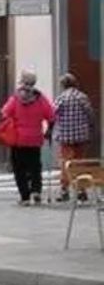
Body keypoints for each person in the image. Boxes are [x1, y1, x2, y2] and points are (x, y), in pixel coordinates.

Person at [0, 70, 56, 206]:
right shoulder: (40, 98)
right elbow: (51, 115)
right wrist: (49, 129)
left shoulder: (15, 98)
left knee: (19, 168)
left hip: (18, 139)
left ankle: (24, 197)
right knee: (35, 166)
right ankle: (36, 190)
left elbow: (4, 113)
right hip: (35, 139)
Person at [53, 72, 96, 202]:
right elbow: (90, 114)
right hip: (81, 136)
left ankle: (64, 190)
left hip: (65, 136)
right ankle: (81, 190)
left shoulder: (61, 98)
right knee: (80, 162)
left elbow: (52, 114)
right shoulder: (82, 97)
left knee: (66, 163)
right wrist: (91, 127)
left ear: (63, 85)